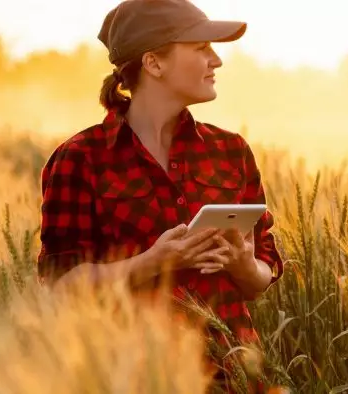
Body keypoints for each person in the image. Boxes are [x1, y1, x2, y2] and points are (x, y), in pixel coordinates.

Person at [36, 0, 284, 391]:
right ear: (153, 63)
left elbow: (260, 276)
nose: (216, 60)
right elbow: (62, 286)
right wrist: (153, 262)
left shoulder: (231, 150)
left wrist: (243, 264)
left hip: (234, 377)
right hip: (130, 377)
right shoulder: (81, 159)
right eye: (201, 48)